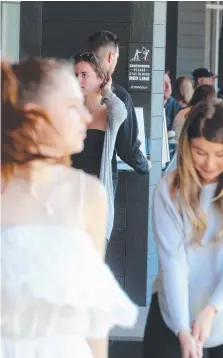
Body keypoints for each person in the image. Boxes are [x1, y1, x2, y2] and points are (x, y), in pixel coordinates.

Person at [1, 58, 137, 358]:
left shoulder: (88, 195)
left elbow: (93, 312)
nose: (87, 117)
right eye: (72, 106)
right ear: (35, 115)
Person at [143, 99, 223, 358]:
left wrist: (211, 309)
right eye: (200, 152)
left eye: (220, 154)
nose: (210, 164)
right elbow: (173, 263)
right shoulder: (169, 190)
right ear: (186, 147)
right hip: (173, 313)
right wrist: (182, 327)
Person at [71, 52, 127, 240]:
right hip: (70, 192)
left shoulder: (109, 113)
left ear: (101, 78)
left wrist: (107, 92)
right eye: (76, 74)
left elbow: (121, 112)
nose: (79, 80)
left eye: (84, 75)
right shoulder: (70, 111)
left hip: (96, 192)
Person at [87, 31, 150, 193]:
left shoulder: (70, 88)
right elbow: (127, 147)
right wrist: (145, 165)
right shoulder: (118, 96)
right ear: (110, 57)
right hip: (100, 181)